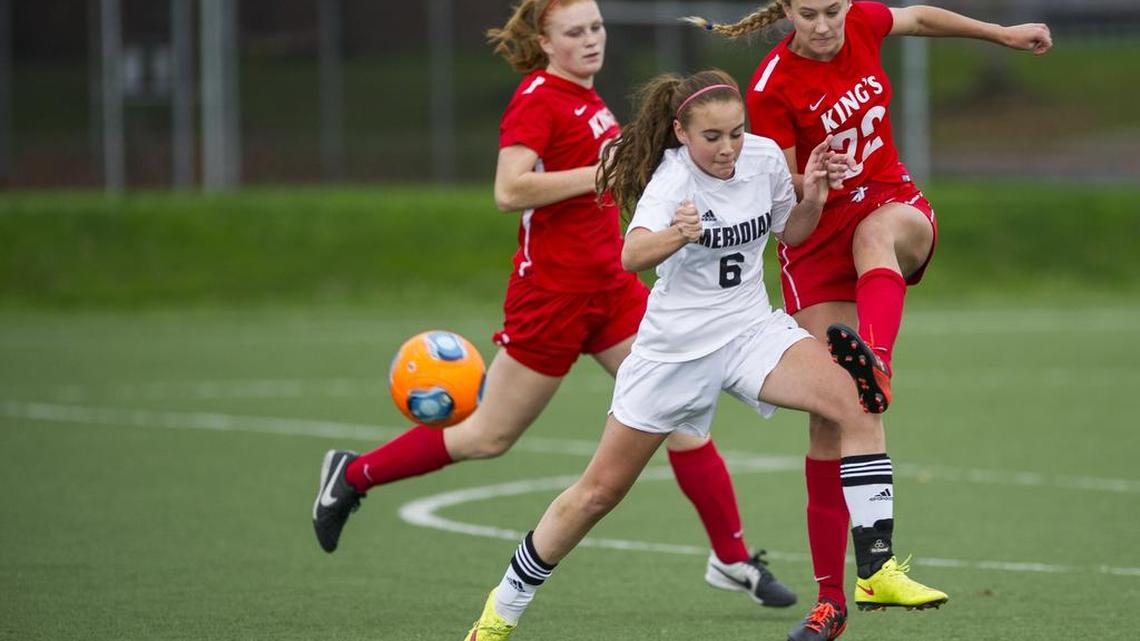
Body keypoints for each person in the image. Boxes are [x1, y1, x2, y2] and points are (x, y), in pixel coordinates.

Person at [311, 0, 798, 611]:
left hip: (613, 291)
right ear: (544, 41)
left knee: (680, 416)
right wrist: (599, 172)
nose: (591, 39)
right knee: (489, 435)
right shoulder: (538, 98)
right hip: (554, 295)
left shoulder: (588, 100)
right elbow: (508, 189)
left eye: (595, 27)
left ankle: (731, 559)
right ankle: (353, 475)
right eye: (574, 31)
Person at [462, 69, 946, 641]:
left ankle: (875, 570)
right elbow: (631, 254)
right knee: (597, 494)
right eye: (712, 137)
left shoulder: (764, 158)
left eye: (736, 132)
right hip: (674, 353)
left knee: (857, 401)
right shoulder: (672, 181)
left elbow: (791, 233)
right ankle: (504, 606)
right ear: (681, 134)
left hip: (749, 331)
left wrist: (811, 192)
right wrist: (676, 234)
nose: (728, 148)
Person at [687, 2, 1051, 637]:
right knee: (833, 421)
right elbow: (781, 187)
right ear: (788, 10)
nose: (825, 24)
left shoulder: (863, 22)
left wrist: (1000, 34)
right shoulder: (773, 86)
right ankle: (832, 601)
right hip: (814, 238)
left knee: (875, 244)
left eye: (833, 9)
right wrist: (812, 180)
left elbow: (918, 20)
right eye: (809, 13)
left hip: (888, 202)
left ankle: (872, 357)